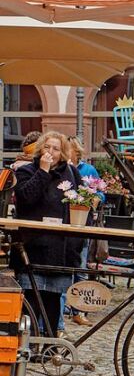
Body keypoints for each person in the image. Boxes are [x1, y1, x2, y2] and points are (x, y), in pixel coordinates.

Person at [13, 132, 86, 336]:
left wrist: (76, 243)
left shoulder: (71, 173)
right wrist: (43, 172)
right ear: (40, 149)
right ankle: (29, 347)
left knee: (53, 303)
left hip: (60, 251)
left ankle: (50, 347)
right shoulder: (27, 171)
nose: (51, 152)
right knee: (31, 303)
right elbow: (26, 199)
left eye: (55, 148)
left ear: (62, 153)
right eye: (47, 147)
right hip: (33, 248)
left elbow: (83, 204)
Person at [65, 137, 105, 328]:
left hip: (82, 223)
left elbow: (101, 191)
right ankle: (65, 306)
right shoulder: (61, 169)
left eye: (68, 150)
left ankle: (78, 309)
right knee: (64, 269)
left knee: (80, 268)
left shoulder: (87, 170)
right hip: (64, 225)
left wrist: (96, 198)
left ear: (76, 152)